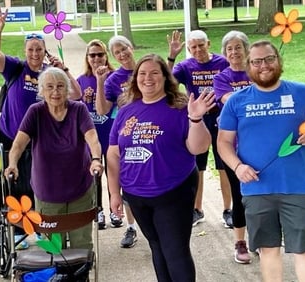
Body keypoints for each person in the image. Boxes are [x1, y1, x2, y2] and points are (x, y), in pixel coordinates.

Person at [217, 40, 305, 282]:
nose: (263, 65)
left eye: (269, 59)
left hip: (296, 187)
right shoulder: (236, 101)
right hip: (256, 189)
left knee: (304, 250)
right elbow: (223, 142)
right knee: (268, 250)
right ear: (248, 66)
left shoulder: (302, 92)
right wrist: (238, 166)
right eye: (256, 61)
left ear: (279, 61)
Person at [107, 53, 214, 281]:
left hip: (173, 191)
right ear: (135, 79)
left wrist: (195, 119)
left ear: (166, 77)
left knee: (175, 251)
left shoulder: (180, 107)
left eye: (155, 73)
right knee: (156, 247)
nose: (148, 78)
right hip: (136, 195)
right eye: (142, 74)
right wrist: (114, 192)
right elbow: (114, 154)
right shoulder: (126, 111)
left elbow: (199, 147)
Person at [0, 7, 81, 249]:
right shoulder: (16, 68)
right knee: (18, 184)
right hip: (12, 137)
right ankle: (21, 231)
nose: (35, 53)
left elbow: (77, 94)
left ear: (44, 51)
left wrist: (63, 69)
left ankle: (45, 227)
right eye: (30, 49)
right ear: (25, 51)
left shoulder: (50, 75)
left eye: (39, 49)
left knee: (41, 184)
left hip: (42, 140)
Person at [4, 67, 103, 249]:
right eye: (49, 87)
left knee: (81, 245)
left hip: (79, 188)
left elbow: (92, 138)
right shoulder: (35, 112)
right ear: (42, 90)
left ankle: (80, 276)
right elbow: (18, 144)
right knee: (54, 249)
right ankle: (59, 276)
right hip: (47, 192)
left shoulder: (78, 110)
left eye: (60, 86)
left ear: (67, 89)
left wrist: (96, 159)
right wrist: (12, 164)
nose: (55, 92)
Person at [167, 30, 231, 227]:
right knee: (198, 168)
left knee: (224, 166)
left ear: (208, 44)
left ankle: (228, 209)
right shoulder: (185, 66)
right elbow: (167, 83)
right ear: (188, 48)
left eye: (201, 45)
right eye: (193, 47)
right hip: (198, 122)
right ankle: (197, 209)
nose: (198, 50)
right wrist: (171, 57)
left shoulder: (222, 63)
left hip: (221, 120)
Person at [213, 30, 252, 264]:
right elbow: (230, 100)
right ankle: (240, 242)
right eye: (230, 48)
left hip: (259, 144)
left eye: (238, 47)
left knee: (259, 196)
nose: (234, 52)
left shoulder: (256, 72)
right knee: (239, 195)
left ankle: (258, 237)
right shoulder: (222, 77)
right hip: (233, 147)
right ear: (225, 53)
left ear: (246, 49)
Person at [95, 35, 138, 247]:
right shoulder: (113, 79)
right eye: (117, 52)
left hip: (154, 131)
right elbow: (102, 110)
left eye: (124, 48)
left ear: (131, 47)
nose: (122, 54)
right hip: (127, 134)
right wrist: (100, 81)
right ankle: (131, 227)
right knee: (127, 178)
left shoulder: (147, 68)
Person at [77, 39, 116, 230]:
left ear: (106, 55)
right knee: (95, 173)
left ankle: (114, 210)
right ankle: (98, 209)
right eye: (92, 55)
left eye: (100, 54)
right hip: (91, 136)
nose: (96, 58)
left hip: (111, 132)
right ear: (87, 57)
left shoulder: (115, 77)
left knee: (113, 173)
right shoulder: (81, 80)